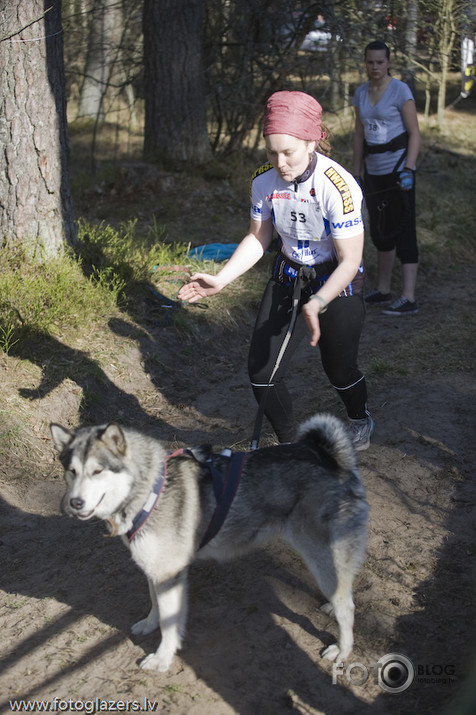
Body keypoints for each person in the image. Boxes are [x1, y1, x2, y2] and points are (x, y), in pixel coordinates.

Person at [178, 90, 373, 450]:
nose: (280, 162)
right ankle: (289, 446)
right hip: (288, 277)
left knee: (339, 369)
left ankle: (359, 417)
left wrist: (317, 302)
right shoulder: (263, 181)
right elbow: (258, 237)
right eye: (271, 152)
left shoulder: (339, 186)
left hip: (337, 282)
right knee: (262, 375)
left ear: (312, 142)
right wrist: (220, 279)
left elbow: (350, 261)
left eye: (289, 152)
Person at [353, 40, 421, 315]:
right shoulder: (359, 93)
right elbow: (358, 135)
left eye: (380, 62)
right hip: (373, 171)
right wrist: (355, 173)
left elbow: (414, 133)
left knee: (403, 228)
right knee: (381, 229)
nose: (375, 67)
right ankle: (383, 290)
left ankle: (409, 296)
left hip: (398, 170)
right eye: (370, 62)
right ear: (365, 62)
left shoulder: (400, 91)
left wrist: (409, 168)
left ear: (388, 62)